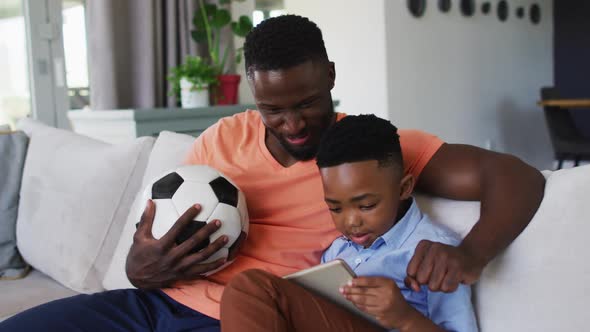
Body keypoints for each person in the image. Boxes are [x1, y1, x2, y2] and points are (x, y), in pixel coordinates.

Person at [0, 15, 544, 331]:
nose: (293, 123)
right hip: (159, 303)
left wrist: (471, 254)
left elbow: (516, 176)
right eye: (272, 109)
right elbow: (156, 236)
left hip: (250, 318)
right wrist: (141, 266)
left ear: (330, 76)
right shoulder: (222, 139)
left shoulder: (371, 151)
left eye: (306, 102)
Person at [220, 114, 478, 331]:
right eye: (335, 208)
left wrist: (405, 318)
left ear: (404, 188)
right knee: (250, 293)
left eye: (366, 206)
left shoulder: (434, 254)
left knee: (251, 288)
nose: (351, 221)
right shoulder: (337, 252)